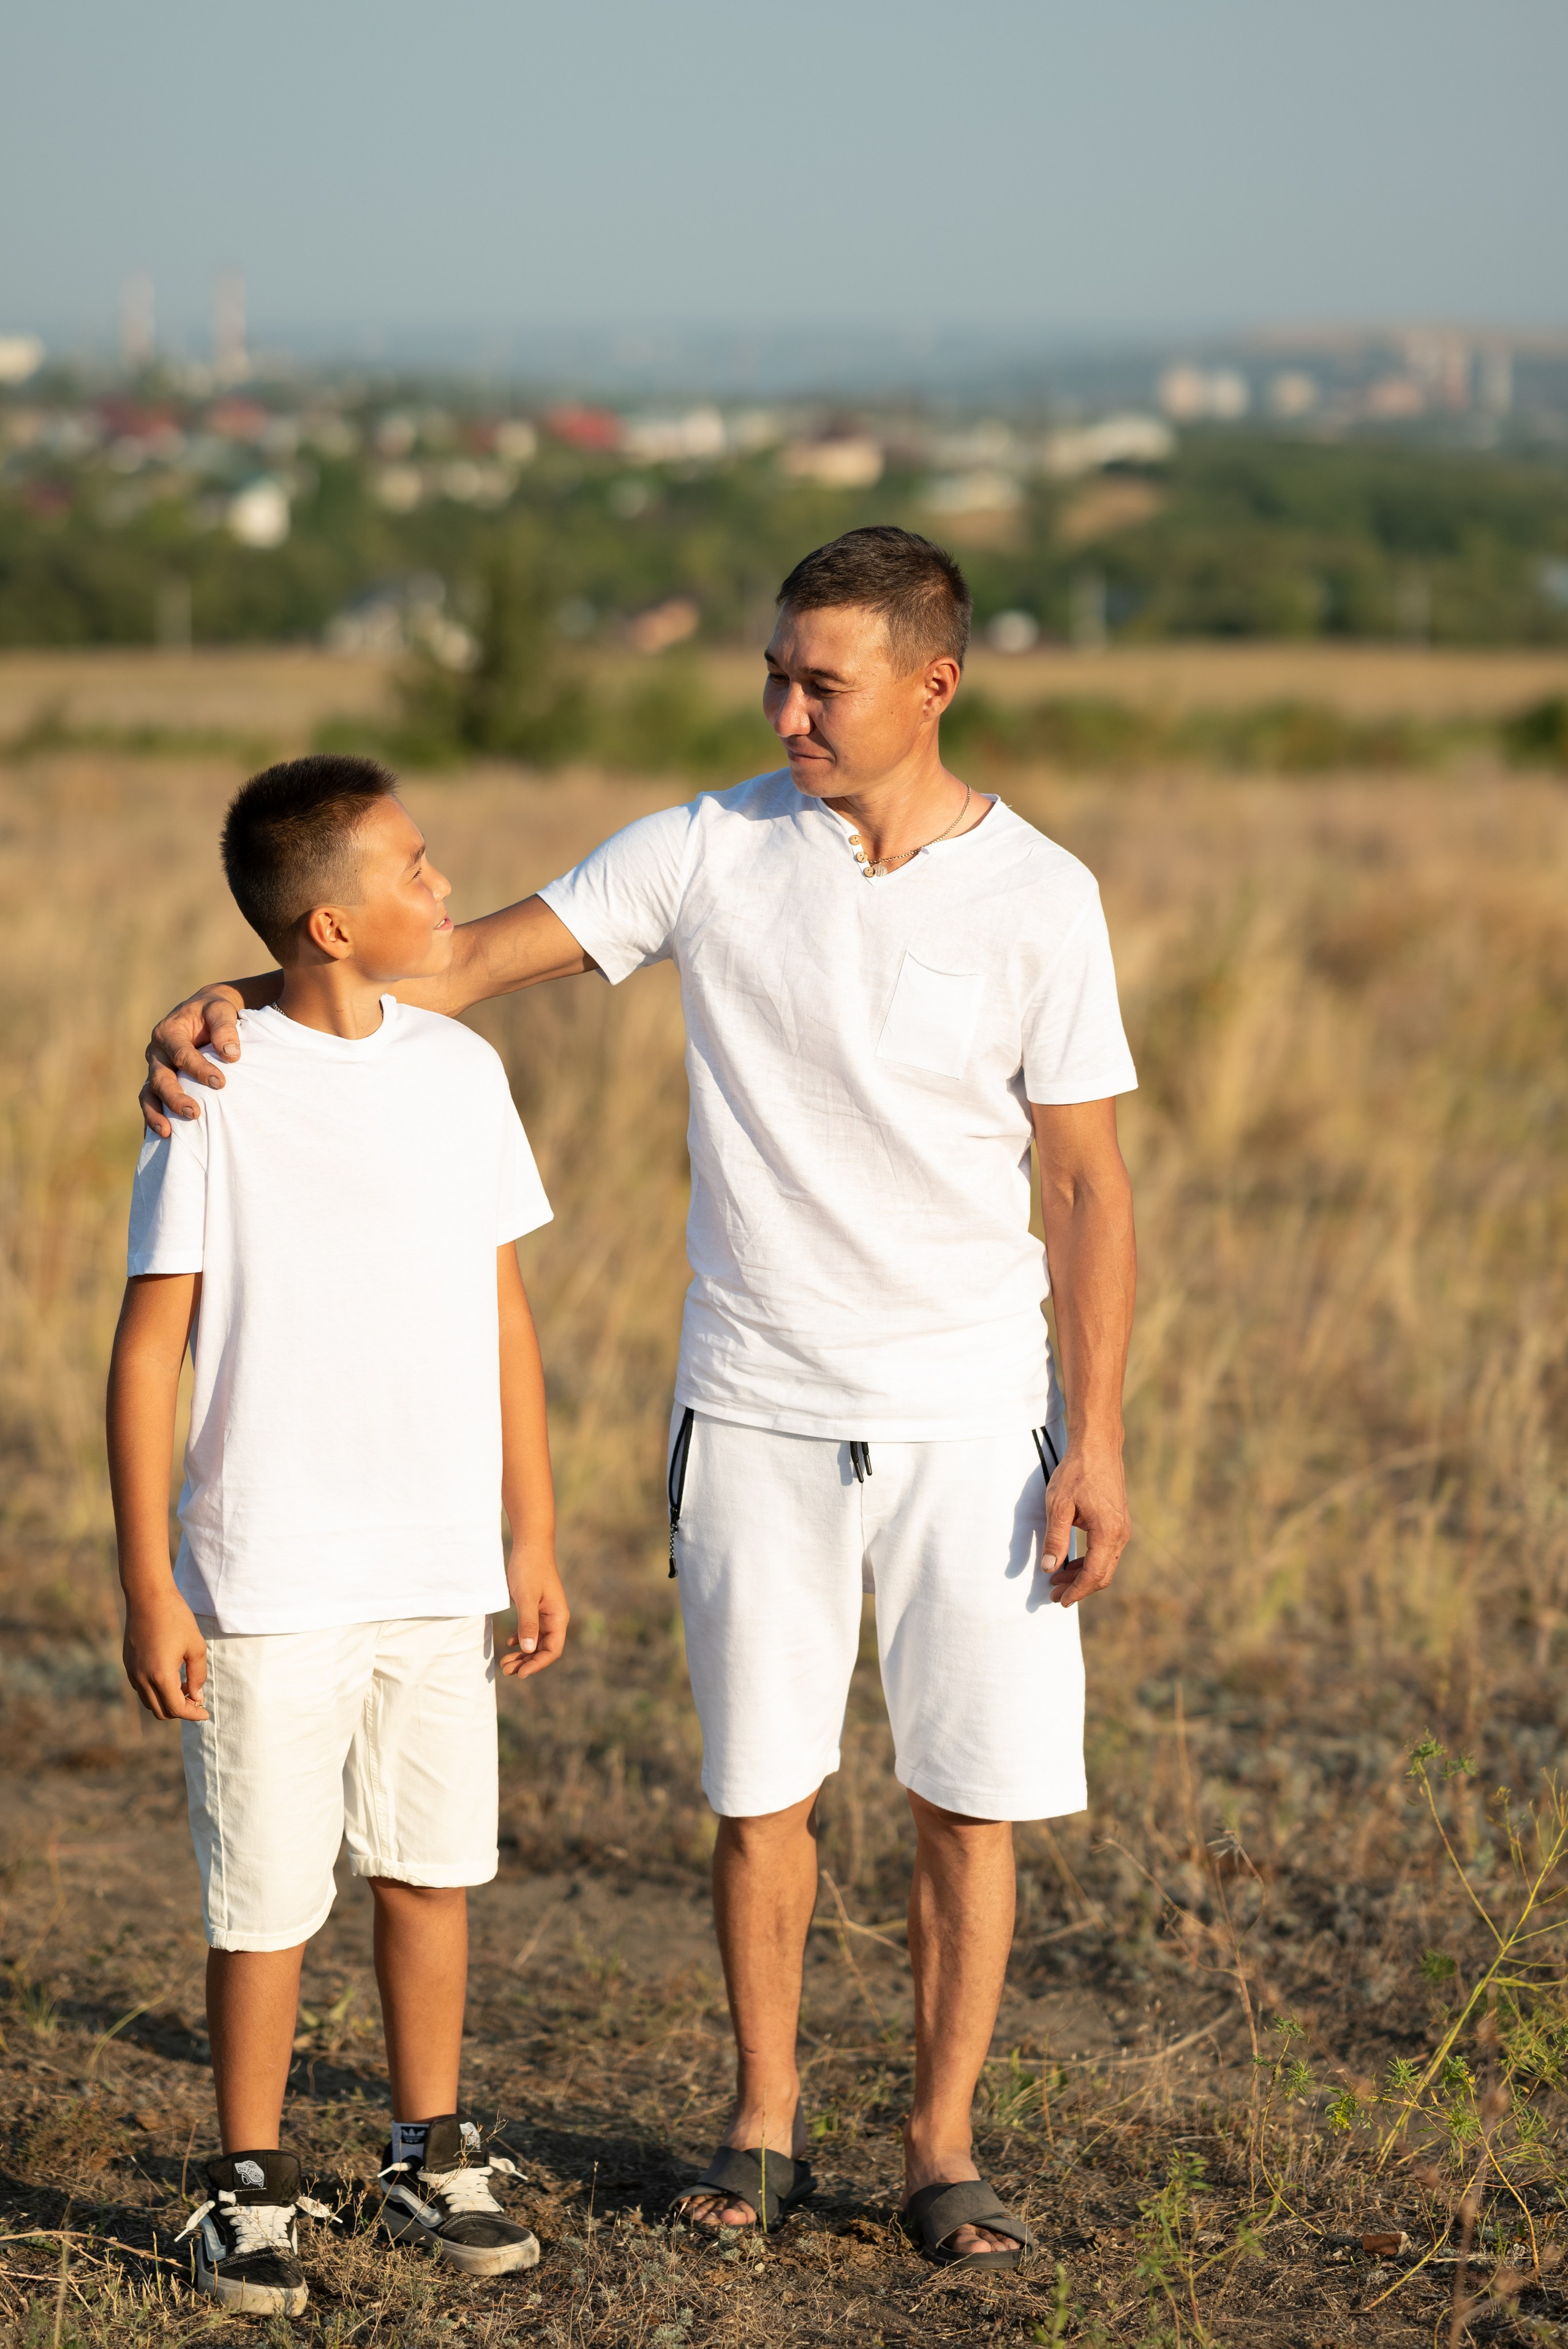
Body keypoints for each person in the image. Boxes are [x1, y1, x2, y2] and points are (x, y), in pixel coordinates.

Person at [142, 527, 1137, 2270]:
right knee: (763, 1791)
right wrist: (222, 1003)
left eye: (822, 681)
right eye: (774, 671)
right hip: (750, 1400)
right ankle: (759, 2125)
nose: (786, 707)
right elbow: (425, 970)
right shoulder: (705, 844)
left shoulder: (1044, 896)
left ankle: (939, 2144)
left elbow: (1091, 1186)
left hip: (981, 1411)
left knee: (964, 1797)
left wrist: (1100, 1433)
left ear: (934, 684)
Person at [110, 756, 567, 2316]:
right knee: (266, 1901)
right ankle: (245, 2185)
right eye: (417, 867)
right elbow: (146, 1350)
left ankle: (428, 2149)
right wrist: (146, 1580)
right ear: (330, 919)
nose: (445, 887)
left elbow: (501, 1307)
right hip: (264, 1576)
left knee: (430, 1873)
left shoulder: (460, 1073)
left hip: (437, 1566)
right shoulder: (216, 1086)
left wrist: (535, 1531)